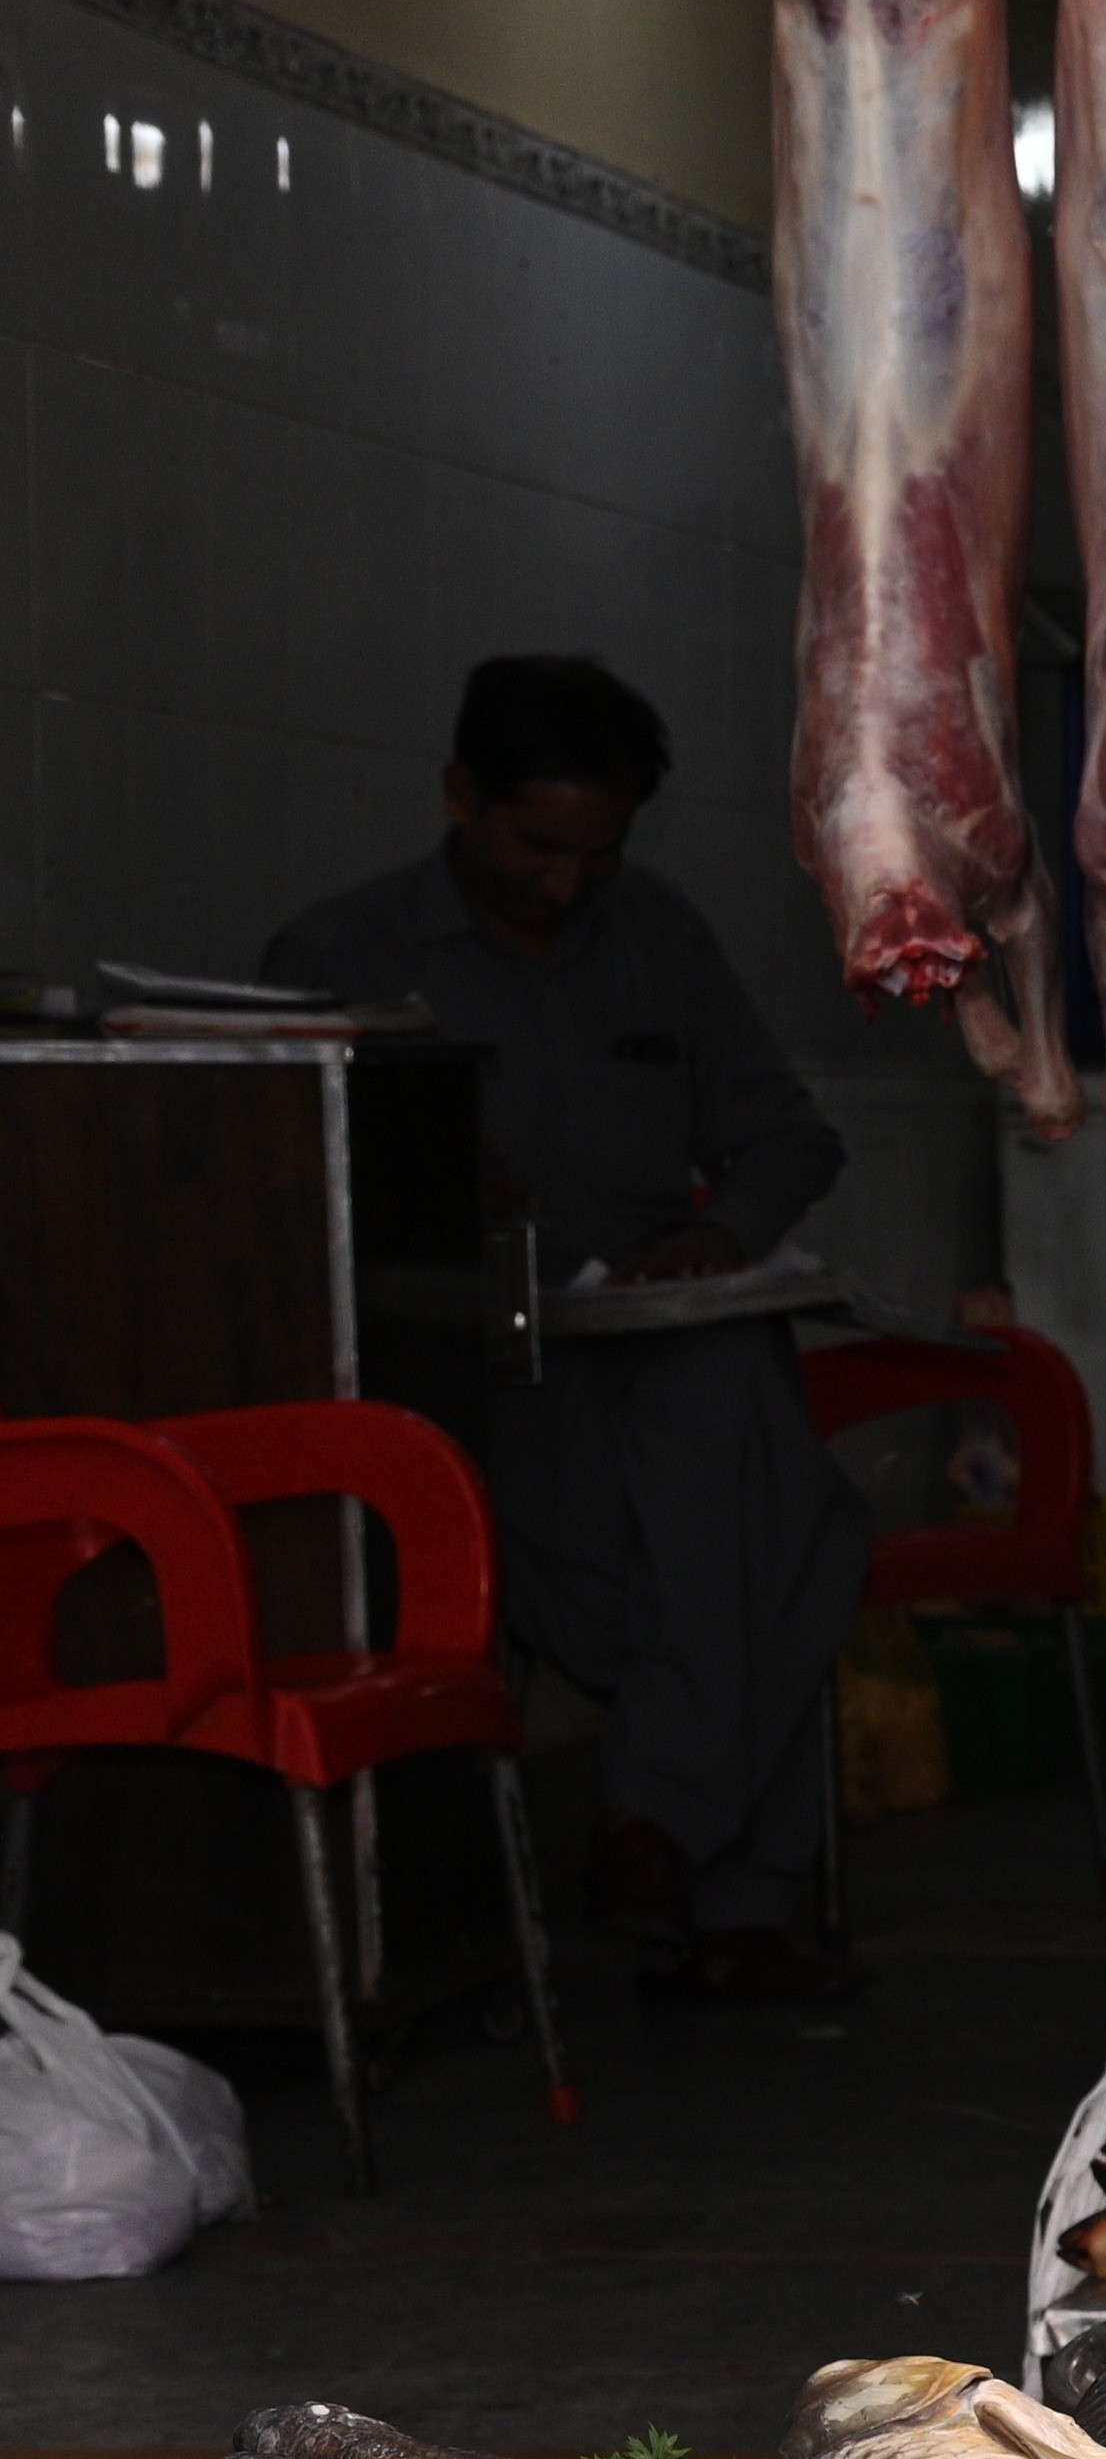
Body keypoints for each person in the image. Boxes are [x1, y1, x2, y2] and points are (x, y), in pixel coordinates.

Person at [263, 654, 867, 2001]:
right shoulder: (340, 953)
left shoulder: (656, 933)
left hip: (656, 1340)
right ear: (462, 796)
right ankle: (722, 1875)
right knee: (772, 1543)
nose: (565, 884)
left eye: (598, 854)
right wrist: (431, 1187)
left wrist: (726, 1225)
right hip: (475, 1374)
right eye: (538, 846)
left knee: (740, 1423)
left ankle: (662, 1819)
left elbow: (783, 1132)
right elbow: (294, 1192)